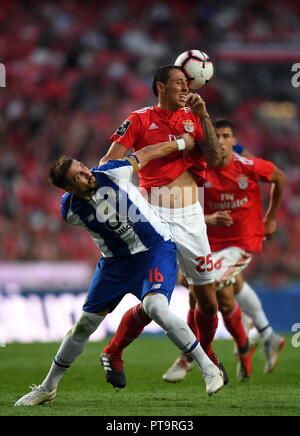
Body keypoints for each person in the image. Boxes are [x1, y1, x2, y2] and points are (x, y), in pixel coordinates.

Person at [14, 135, 224, 407]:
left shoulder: (112, 172)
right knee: (84, 325)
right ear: (68, 187)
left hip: (154, 251)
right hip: (115, 264)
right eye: (79, 175)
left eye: (83, 166)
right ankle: (47, 387)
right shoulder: (70, 210)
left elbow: (147, 153)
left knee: (156, 308)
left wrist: (182, 143)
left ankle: (209, 367)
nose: (86, 173)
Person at [98, 65, 227, 383]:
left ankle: (204, 352)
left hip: (191, 216)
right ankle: (114, 351)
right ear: (160, 86)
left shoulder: (194, 117)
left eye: (188, 83)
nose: (187, 88)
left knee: (208, 303)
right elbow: (105, 165)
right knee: (155, 300)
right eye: (179, 83)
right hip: (155, 217)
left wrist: (205, 116)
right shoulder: (139, 119)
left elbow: (213, 157)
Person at [163, 119, 286, 382]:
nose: (219, 139)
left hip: (240, 244)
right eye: (216, 135)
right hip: (210, 243)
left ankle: (188, 357)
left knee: (204, 289)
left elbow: (278, 176)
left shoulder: (246, 166)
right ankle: (247, 345)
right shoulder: (200, 169)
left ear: (234, 141)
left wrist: (271, 217)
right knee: (222, 298)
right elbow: (183, 201)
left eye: (226, 135)